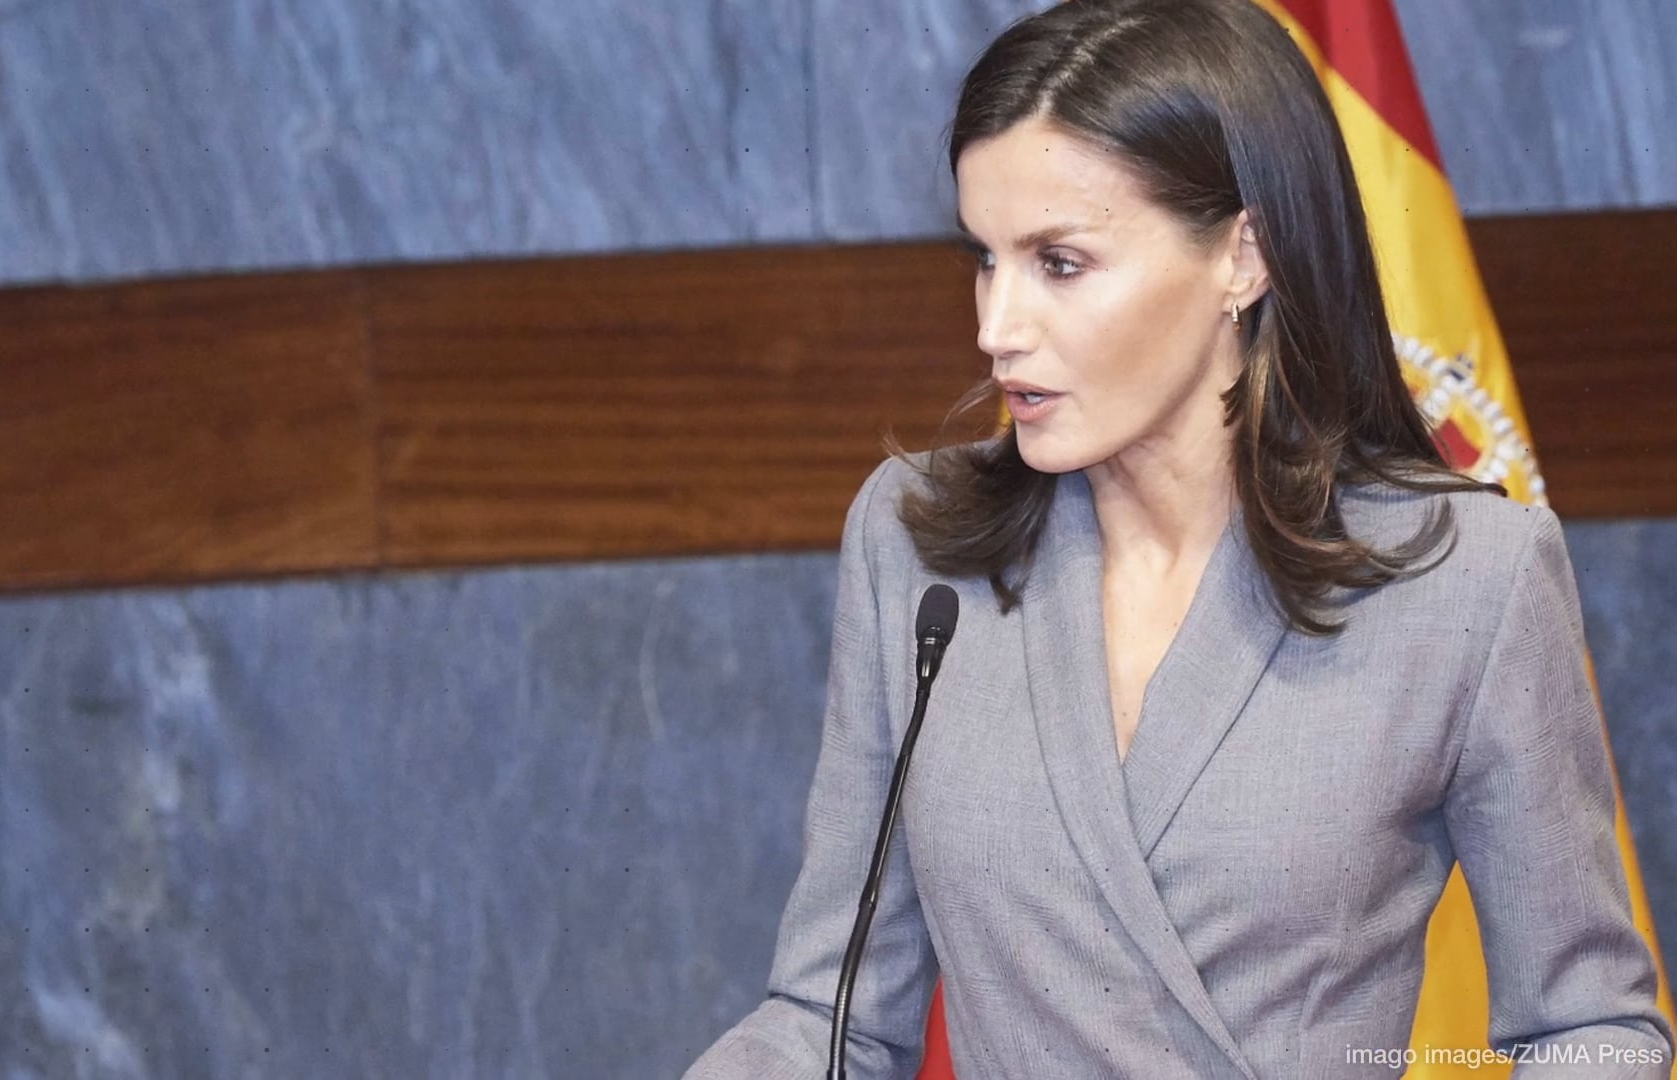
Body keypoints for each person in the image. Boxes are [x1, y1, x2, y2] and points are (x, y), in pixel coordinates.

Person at [683, 0, 1674, 1076]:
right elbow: (829, 1018)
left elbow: (1592, 1030)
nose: (995, 328)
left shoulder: (1465, 578)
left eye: (1060, 263)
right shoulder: (919, 544)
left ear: (1243, 257)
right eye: (985, 258)